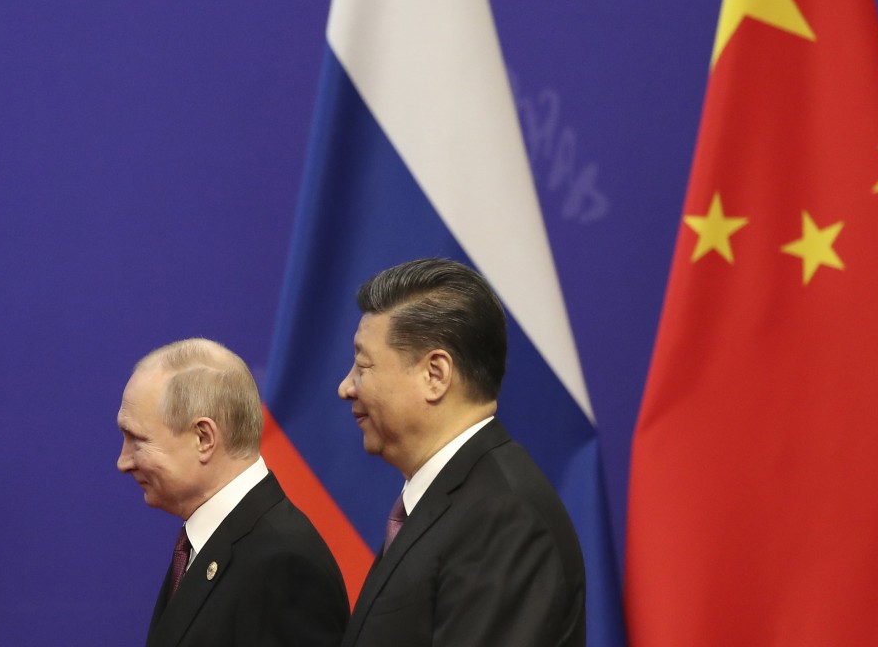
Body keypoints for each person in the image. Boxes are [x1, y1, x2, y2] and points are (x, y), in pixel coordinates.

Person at [337, 258, 586, 646]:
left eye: (362, 366)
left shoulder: (504, 517)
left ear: (435, 375)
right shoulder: (453, 501)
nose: (346, 388)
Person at [117, 338, 349, 647]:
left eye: (138, 440)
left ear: (203, 438)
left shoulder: (284, 565)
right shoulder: (210, 542)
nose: (123, 462)